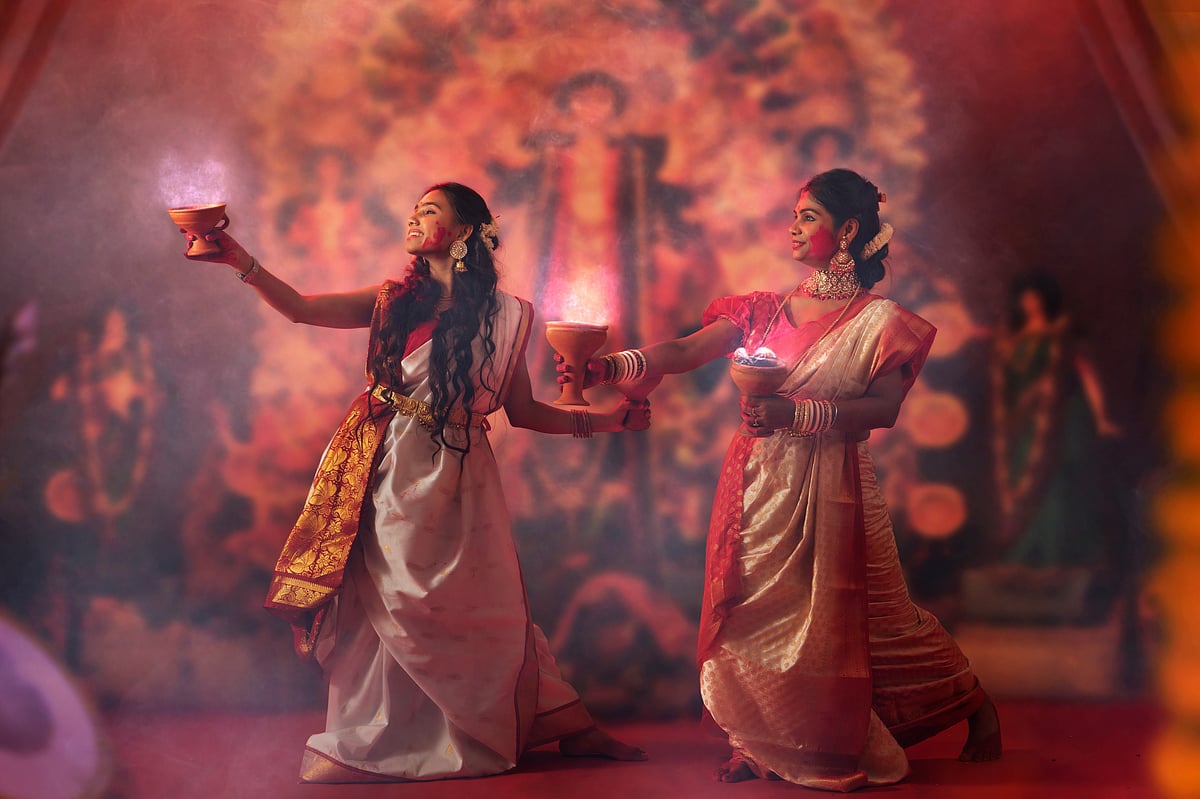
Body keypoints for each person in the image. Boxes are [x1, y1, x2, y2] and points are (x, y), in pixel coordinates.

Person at [181, 182, 648, 782]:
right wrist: (236, 259)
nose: (413, 216)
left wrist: (607, 421)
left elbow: (525, 412)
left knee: (485, 606)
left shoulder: (511, 317)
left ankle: (563, 723)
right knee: (399, 596)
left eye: (430, 211)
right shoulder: (390, 301)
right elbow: (301, 307)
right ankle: (393, 729)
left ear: (462, 234)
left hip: (463, 474)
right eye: (415, 207)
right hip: (387, 464)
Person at [560, 168, 1001, 789]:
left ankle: (975, 705)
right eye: (795, 215)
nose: (793, 227)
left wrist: (796, 413)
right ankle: (767, 742)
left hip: (835, 484)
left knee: (881, 617)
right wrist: (609, 365)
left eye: (809, 217)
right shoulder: (765, 311)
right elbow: (685, 352)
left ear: (848, 231)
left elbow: (883, 411)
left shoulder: (881, 323)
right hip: (757, 487)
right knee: (752, 615)